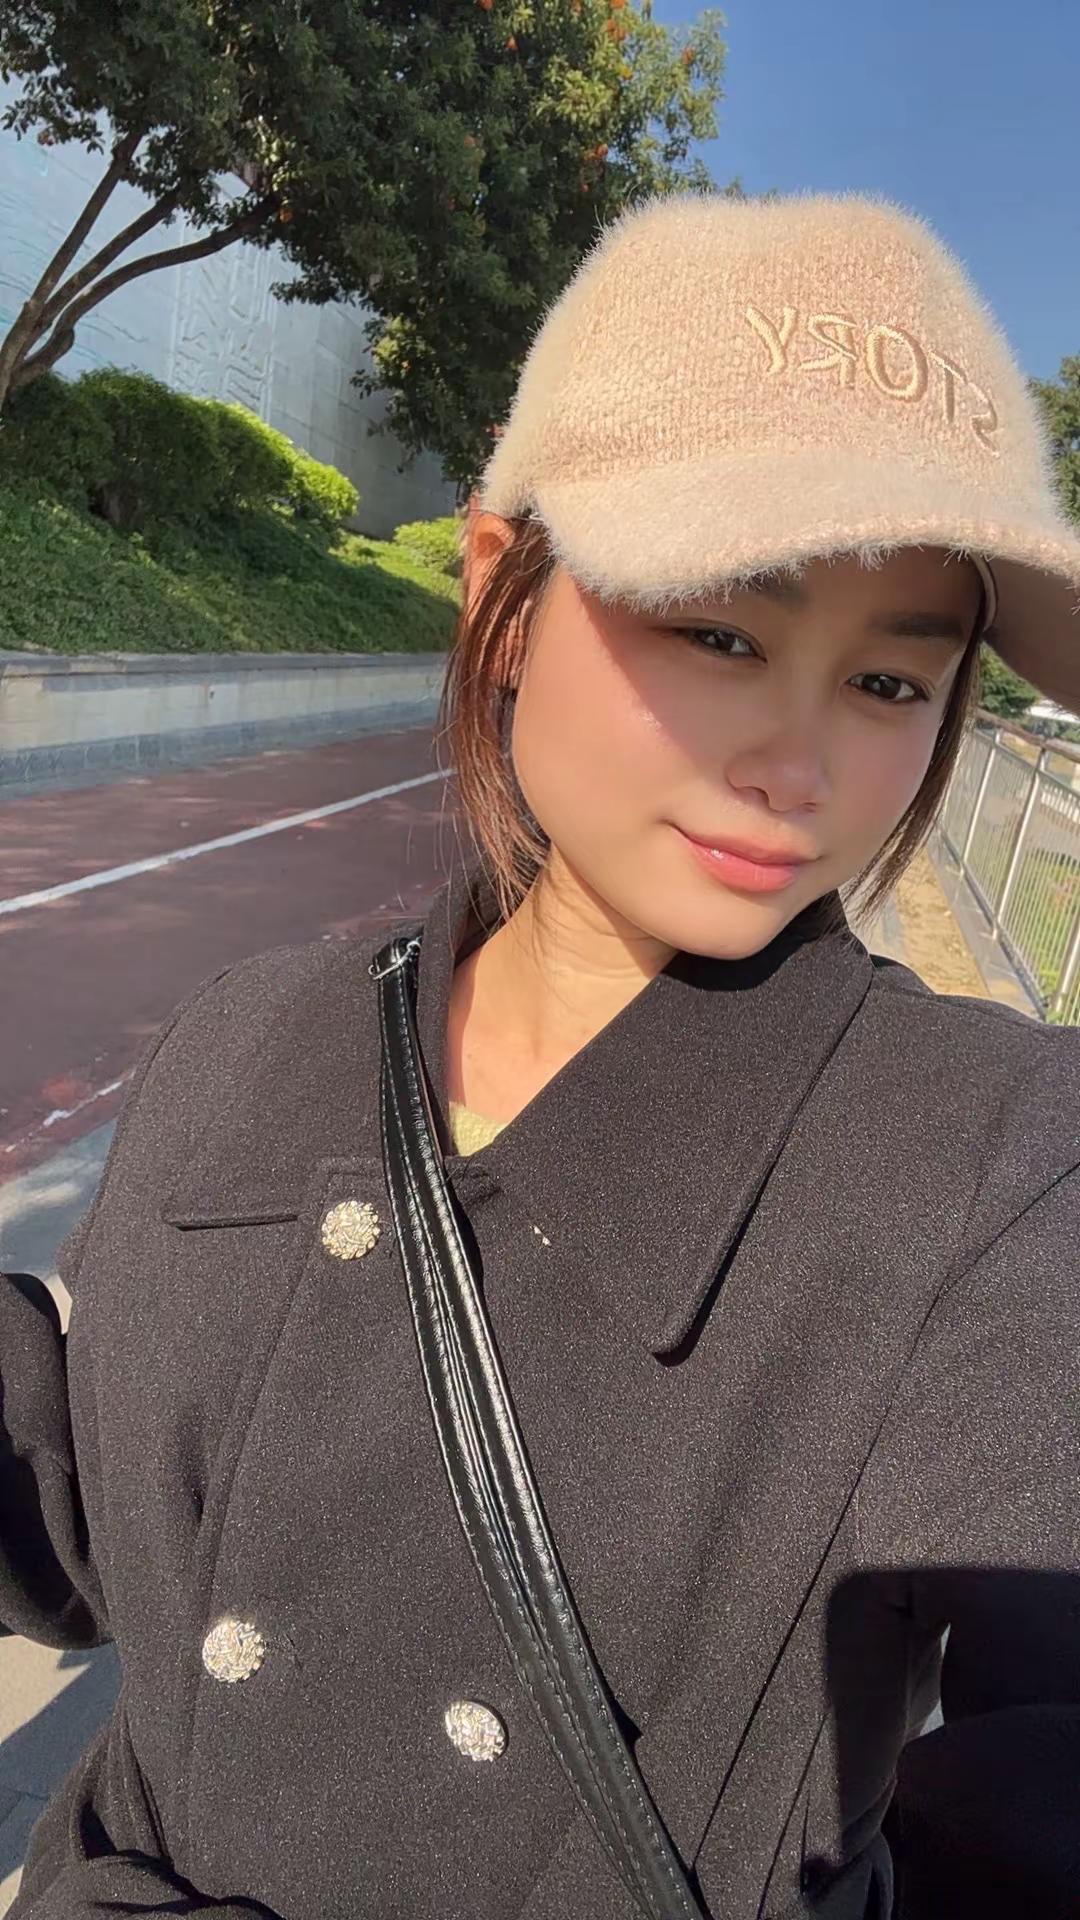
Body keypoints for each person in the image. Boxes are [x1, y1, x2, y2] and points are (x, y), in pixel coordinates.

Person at [2, 192, 1079, 1920]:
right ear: (501, 591)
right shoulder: (254, 1035)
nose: (796, 766)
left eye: (891, 685)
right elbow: (108, 1535)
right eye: (722, 634)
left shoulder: (995, 1170)